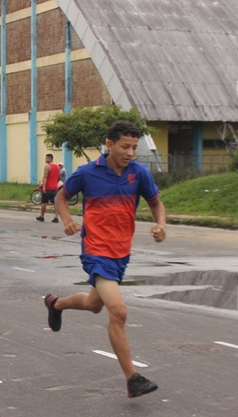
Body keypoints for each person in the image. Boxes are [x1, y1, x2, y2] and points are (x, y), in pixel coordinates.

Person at [43, 120, 166, 398]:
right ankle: (132, 378)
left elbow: (155, 202)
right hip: (95, 250)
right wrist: (67, 220)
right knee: (118, 311)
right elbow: (61, 197)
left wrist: (161, 224)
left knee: (93, 304)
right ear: (110, 145)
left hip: (121, 251)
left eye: (134, 147)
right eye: (125, 146)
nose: (130, 152)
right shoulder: (88, 172)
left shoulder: (139, 172)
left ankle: (56, 304)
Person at [36, 154, 61, 223]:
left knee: (44, 202)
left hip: (48, 187)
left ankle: (42, 216)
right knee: (56, 203)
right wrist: (56, 182)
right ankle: (56, 217)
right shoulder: (57, 167)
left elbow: (45, 177)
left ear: (50, 159)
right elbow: (59, 176)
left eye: (47, 158)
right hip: (55, 188)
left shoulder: (47, 167)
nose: (46, 159)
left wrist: (43, 186)